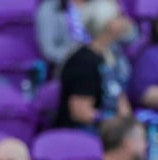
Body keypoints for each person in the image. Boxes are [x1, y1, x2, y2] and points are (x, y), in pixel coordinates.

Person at [54, 0, 134, 130]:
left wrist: (129, 124)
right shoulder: (83, 61)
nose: (124, 20)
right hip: (81, 133)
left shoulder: (111, 55)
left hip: (111, 131)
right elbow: (80, 113)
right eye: (119, 16)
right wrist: (115, 122)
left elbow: (121, 102)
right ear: (109, 25)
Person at [36, 0, 91, 76]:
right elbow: (49, 50)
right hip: (67, 67)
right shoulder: (48, 9)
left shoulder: (97, 4)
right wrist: (78, 57)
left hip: (94, 62)